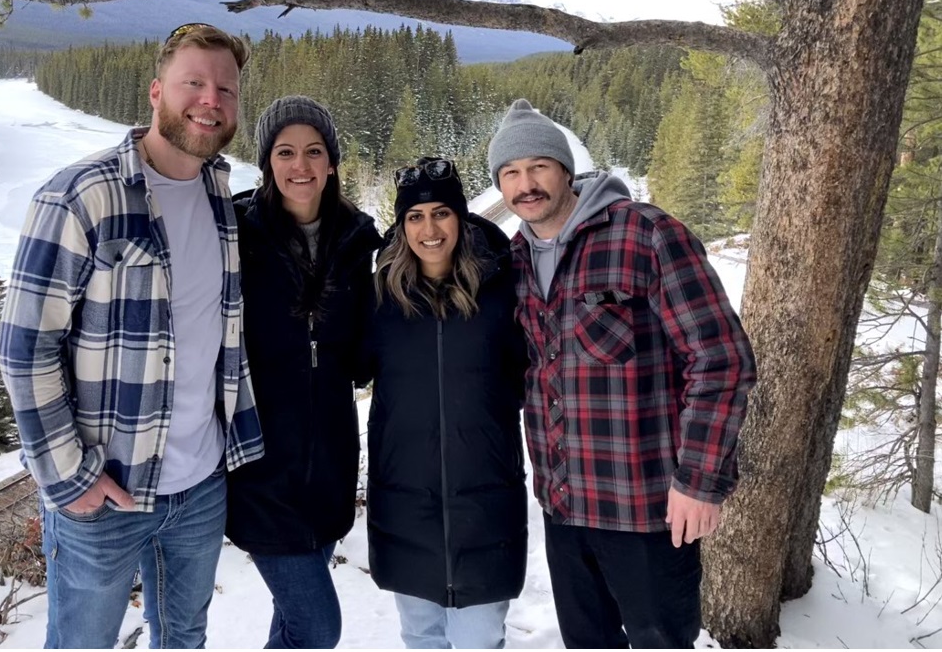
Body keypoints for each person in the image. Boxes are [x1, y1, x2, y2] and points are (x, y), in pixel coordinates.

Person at [0, 22, 264, 650]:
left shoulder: (218, 191)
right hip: (107, 490)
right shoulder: (79, 196)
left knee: (184, 637)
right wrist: (70, 477)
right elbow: (24, 349)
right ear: (155, 91)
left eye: (226, 89)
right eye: (193, 83)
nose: (211, 100)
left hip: (200, 487)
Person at [487, 98, 757, 649]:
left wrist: (700, 482)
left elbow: (720, 358)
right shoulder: (513, 261)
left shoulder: (645, 234)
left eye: (538, 166)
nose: (526, 184)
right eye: (510, 173)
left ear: (566, 170)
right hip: (564, 508)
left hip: (647, 509)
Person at [225, 95, 382, 648]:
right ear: (267, 162)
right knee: (317, 627)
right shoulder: (237, 236)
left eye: (314, 151)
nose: (301, 165)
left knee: (292, 622)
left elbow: (360, 359)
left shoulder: (356, 241)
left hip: (330, 469)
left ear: (332, 162)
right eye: (285, 152)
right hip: (261, 473)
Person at [365, 156, 529, 650]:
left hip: (485, 504)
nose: (429, 229)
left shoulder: (502, 290)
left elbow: (531, 375)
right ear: (401, 227)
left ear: (461, 217)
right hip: (405, 504)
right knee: (421, 638)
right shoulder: (379, 300)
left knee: (479, 640)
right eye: (415, 216)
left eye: (441, 213)